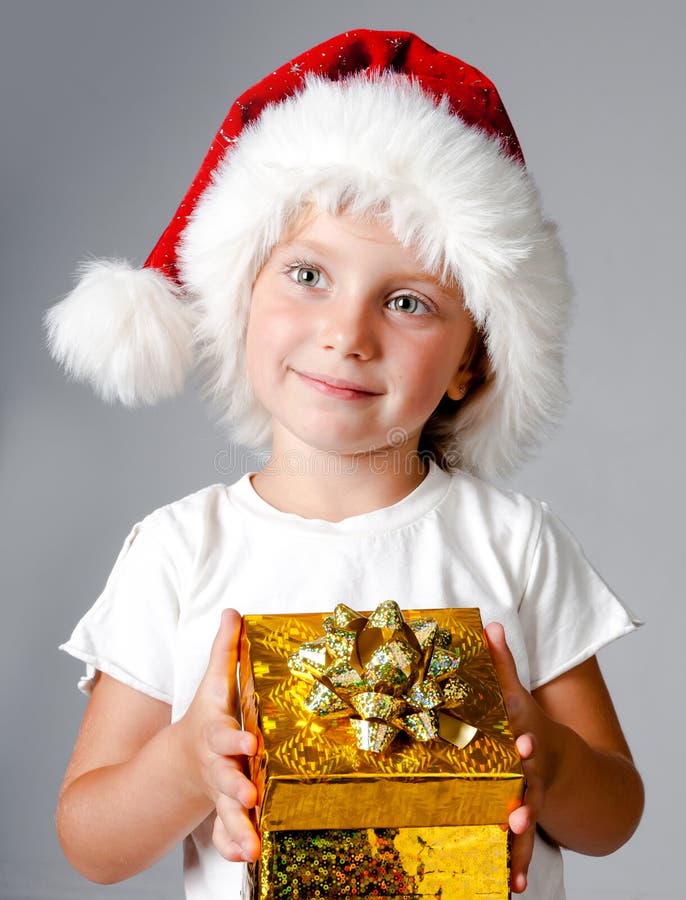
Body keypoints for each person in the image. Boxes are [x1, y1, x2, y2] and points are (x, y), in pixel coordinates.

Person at [46, 29, 644, 900]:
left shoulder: (515, 541)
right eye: (308, 276)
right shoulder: (178, 551)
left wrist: (546, 761)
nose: (348, 335)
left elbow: (617, 814)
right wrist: (182, 765)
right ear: (240, 296)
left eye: (407, 302)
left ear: (473, 360)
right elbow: (89, 844)